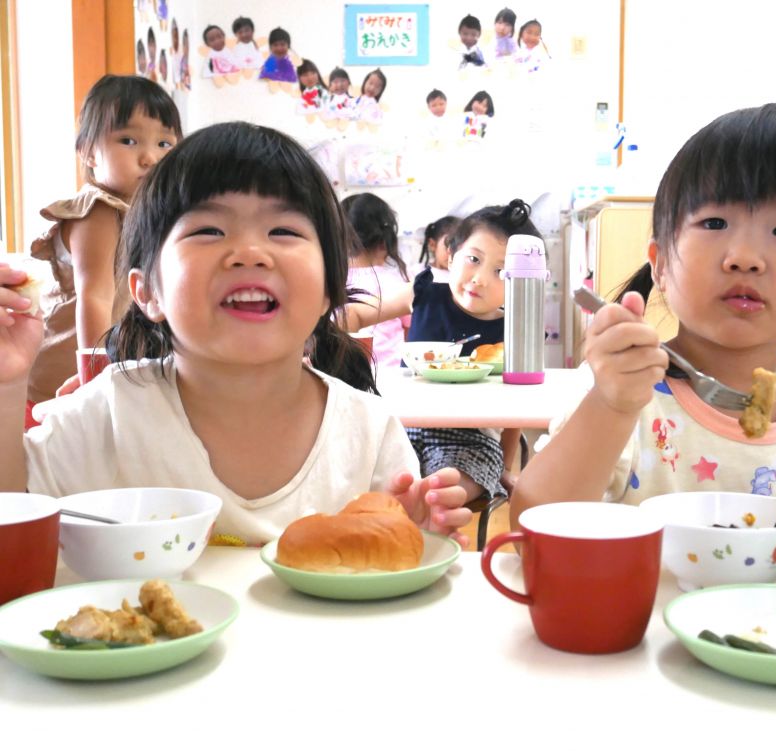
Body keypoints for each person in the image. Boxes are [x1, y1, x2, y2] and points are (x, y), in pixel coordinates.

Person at [0, 122, 471, 548]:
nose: (249, 252)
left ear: (329, 289)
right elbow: (12, 519)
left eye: (283, 230)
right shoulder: (109, 413)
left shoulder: (368, 432)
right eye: (208, 229)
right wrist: (5, 385)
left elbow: (395, 576)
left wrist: (416, 541)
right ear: (147, 293)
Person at [510, 104, 776, 559]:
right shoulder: (625, 396)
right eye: (714, 223)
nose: (744, 255)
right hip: (643, 628)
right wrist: (611, 406)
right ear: (662, 264)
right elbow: (532, 533)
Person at [345, 199, 541, 507]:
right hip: (398, 428)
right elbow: (354, 315)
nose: (479, 278)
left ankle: (429, 520)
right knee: (356, 481)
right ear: (451, 255)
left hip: (469, 441)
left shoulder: (514, 330)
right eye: (473, 259)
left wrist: (503, 466)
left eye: (501, 272)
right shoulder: (423, 293)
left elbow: (514, 411)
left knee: (441, 492)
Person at [23, 74, 181, 426]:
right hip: (64, 381)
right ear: (88, 153)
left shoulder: (152, 214)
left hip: (114, 368)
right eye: (128, 140)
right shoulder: (98, 210)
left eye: (165, 145)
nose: (150, 158)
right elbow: (94, 296)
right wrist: (94, 379)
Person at [343, 193, 411, 369]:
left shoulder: (330, 280)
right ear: (385, 240)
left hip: (342, 377)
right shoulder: (397, 282)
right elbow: (410, 330)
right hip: (392, 374)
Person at [416, 215, 460, 282]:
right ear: (432, 244)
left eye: (460, 248)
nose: (454, 254)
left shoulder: (462, 276)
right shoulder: (417, 273)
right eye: (449, 245)